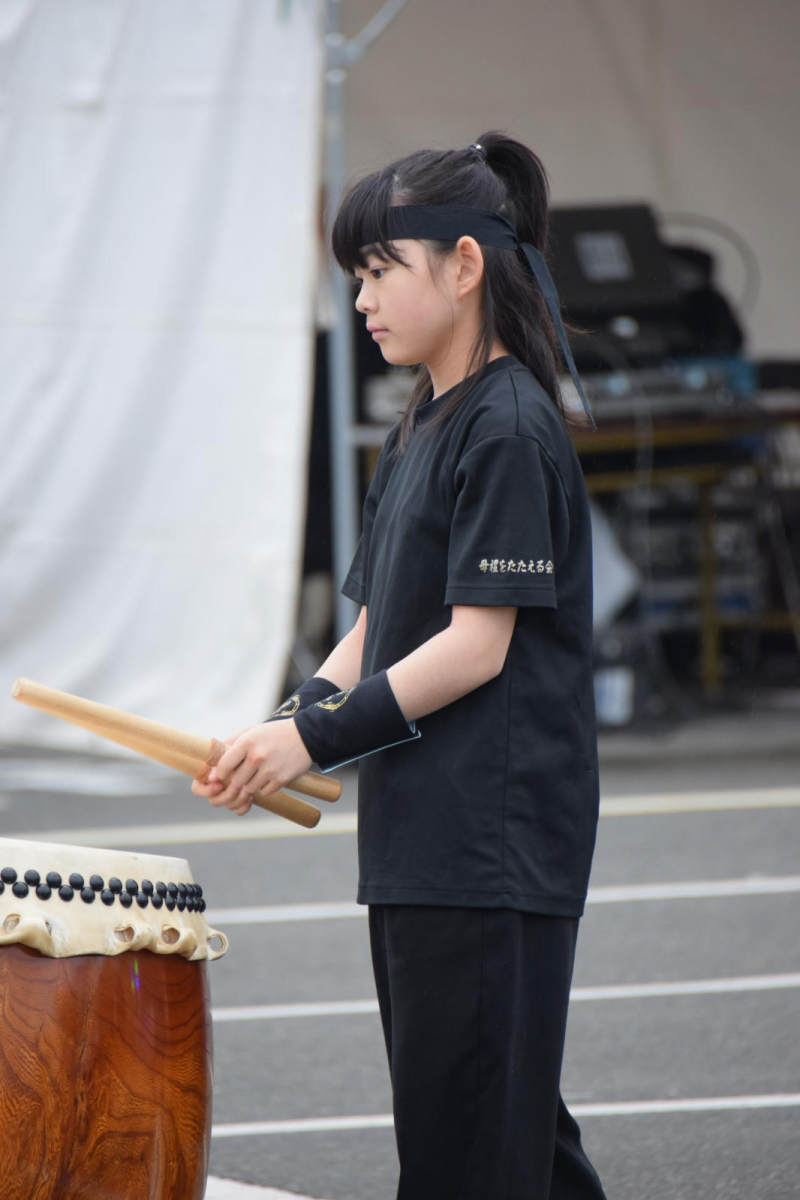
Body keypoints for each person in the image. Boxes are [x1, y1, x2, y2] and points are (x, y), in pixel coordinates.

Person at [192, 131, 609, 1200]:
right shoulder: (421, 418)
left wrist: (312, 739)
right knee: (500, 1137)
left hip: (493, 838)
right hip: (430, 835)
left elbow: (476, 645)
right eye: (358, 276)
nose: (364, 299)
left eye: (381, 270)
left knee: (468, 1149)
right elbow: (380, 626)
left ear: (463, 266)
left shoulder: (508, 426)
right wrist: (285, 723)